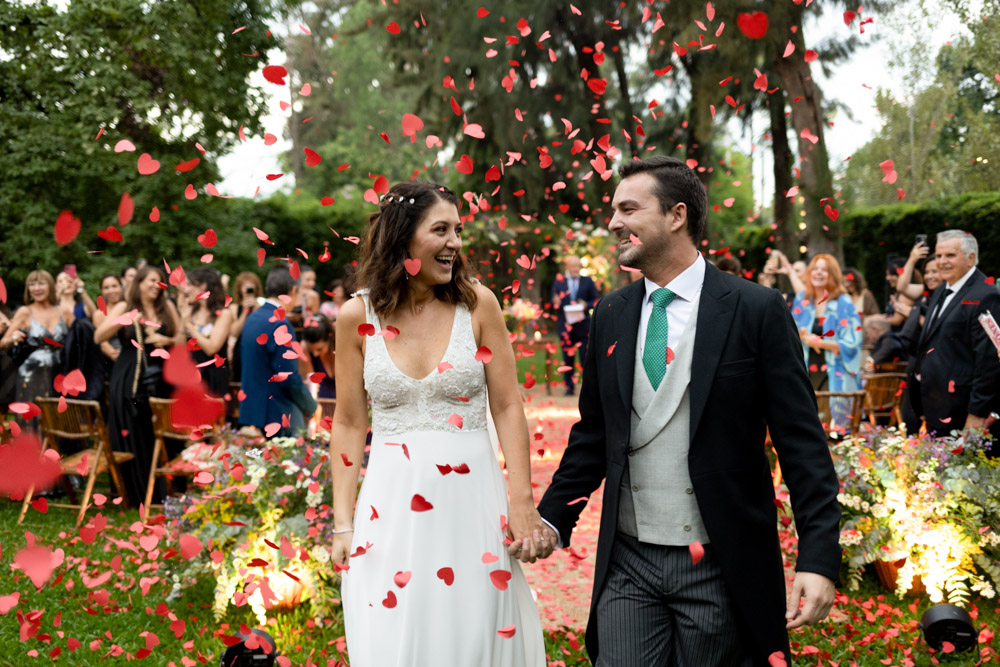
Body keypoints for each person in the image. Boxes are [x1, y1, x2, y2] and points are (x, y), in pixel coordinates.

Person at [513, 156, 840, 666]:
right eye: (613, 210)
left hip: (720, 560)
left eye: (628, 208)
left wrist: (818, 557)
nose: (614, 222)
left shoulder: (755, 309)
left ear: (676, 215)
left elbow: (802, 445)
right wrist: (553, 519)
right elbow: (596, 432)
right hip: (628, 560)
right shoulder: (612, 313)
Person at [329, 181, 545, 666]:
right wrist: (343, 523)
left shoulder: (478, 305)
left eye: (458, 231)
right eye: (441, 230)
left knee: (475, 631)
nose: (455, 243)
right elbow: (346, 421)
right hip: (390, 509)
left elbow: (508, 405)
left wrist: (522, 501)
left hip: (472, 506)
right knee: (394, 633)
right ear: (403, 238)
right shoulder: (354, 316)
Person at [94, 265, 184, 506]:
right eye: (152, 281)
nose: (157, 285)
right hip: (129, 378)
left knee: (157, 430)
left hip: (160, 377)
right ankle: (136, 492)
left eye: (160, 281)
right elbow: (99, 336)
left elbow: (182, 338)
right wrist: (125, 320)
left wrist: (166, 339)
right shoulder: (125, 306)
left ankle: (165, 488)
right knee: (135, 430)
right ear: (139, 283)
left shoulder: (167, 307)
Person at [909, 230, 1000, 440]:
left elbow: (989, 362)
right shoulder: (941, 290)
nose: (942, 262)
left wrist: (977, 413)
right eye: (939, 256)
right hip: (934, 408)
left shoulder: (986, 296)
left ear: (971, 258)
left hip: (963, 412)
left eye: (950, 255)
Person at [239, 266, 316, 437]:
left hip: (254, 409)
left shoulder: (253, 318)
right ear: (293, 290)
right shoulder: (280, 323)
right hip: (277, 412)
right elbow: (288, 376)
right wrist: (310, 405)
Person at [785, 254, 863, 396]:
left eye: (824, 269)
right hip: (806, 371)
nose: (819, 272)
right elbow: (789, 333)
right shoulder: (802, 299)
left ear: (832, 275)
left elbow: (853, 343)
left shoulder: (843, 303)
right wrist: (801, 334)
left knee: (834, 416)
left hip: (835, 373)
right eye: (815, 269)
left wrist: (819, 342)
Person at [0, 270, 68, 419]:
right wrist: (12, 339)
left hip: (58, 375)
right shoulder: (25, 312)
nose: (36, 288)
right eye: (32, 284)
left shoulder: (63, 311)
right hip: (31, 376)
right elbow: (2, 343)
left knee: (58, 421)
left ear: (50, 286)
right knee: (34, 423)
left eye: (41, 283)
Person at [178, 267, 233, 397]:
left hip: (213, 379)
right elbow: (178, 347)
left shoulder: (224, 314)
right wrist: (182, 320)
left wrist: (189, 326)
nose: (186, 290)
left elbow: (211, 348)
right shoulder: (190, 313)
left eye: (190, 285)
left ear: (202, 285)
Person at [551, 255, 600, 396]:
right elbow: (552, 301)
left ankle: (588, 388)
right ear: (567, 266)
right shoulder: (559, 282)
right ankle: (569, 387)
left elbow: (596, 300)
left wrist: (586, 304)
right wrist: (555, 301)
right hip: (565, 326)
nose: (576, 269)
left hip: (583, 326)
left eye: (578, 266)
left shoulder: (587, 281)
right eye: (573, 266)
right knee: (567, 358)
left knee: (585, 358)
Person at [227, 271, 263, 384]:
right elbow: (234, 333)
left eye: (251, 285)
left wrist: (256, 310)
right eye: (244, 285)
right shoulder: (234, 308)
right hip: (240, 350)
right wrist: (245, 311)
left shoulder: (261, 306)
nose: (247, 288)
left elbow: (262, 329)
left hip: (258, 349)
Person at [299, 314, 336, 400]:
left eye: (320, 349)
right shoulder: (304, 348)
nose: (315, 354)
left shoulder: (339, 346)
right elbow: (311, 391)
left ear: (329, 340)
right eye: (311, 350)